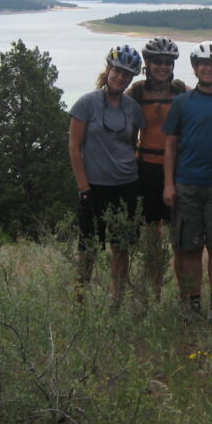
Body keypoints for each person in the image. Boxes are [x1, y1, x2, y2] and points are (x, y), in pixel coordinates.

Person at [162, 41, 212, 322]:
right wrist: (168, 184)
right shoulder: (182, 103)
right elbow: (170, 145)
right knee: (189, 248)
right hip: (186, 183)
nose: (209, 68)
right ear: (195, 67)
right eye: (203, 63)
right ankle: (193, 301)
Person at [68, 44, 146, 307]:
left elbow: (132, 143)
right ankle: (80, 299)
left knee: (121, 246)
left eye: (127, 75)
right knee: (88, 248)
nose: (121, 77)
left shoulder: (133, 108)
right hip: (95, 187)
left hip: (126, 184)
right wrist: (83, 187)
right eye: (117, 71)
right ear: (108, 69)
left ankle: (117, 300)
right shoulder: (86, 103)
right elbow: (74, 148)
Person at [127, 36, 188, 301]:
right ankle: (154, 292)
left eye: (167, 62)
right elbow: (124, 130)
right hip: (146, 170)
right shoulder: (137, 93)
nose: (162, 66)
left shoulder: (182, 91)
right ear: (147, 64)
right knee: (152, 235)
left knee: (179, 237)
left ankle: (185, 294)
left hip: (176, 169)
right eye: (157, 62)